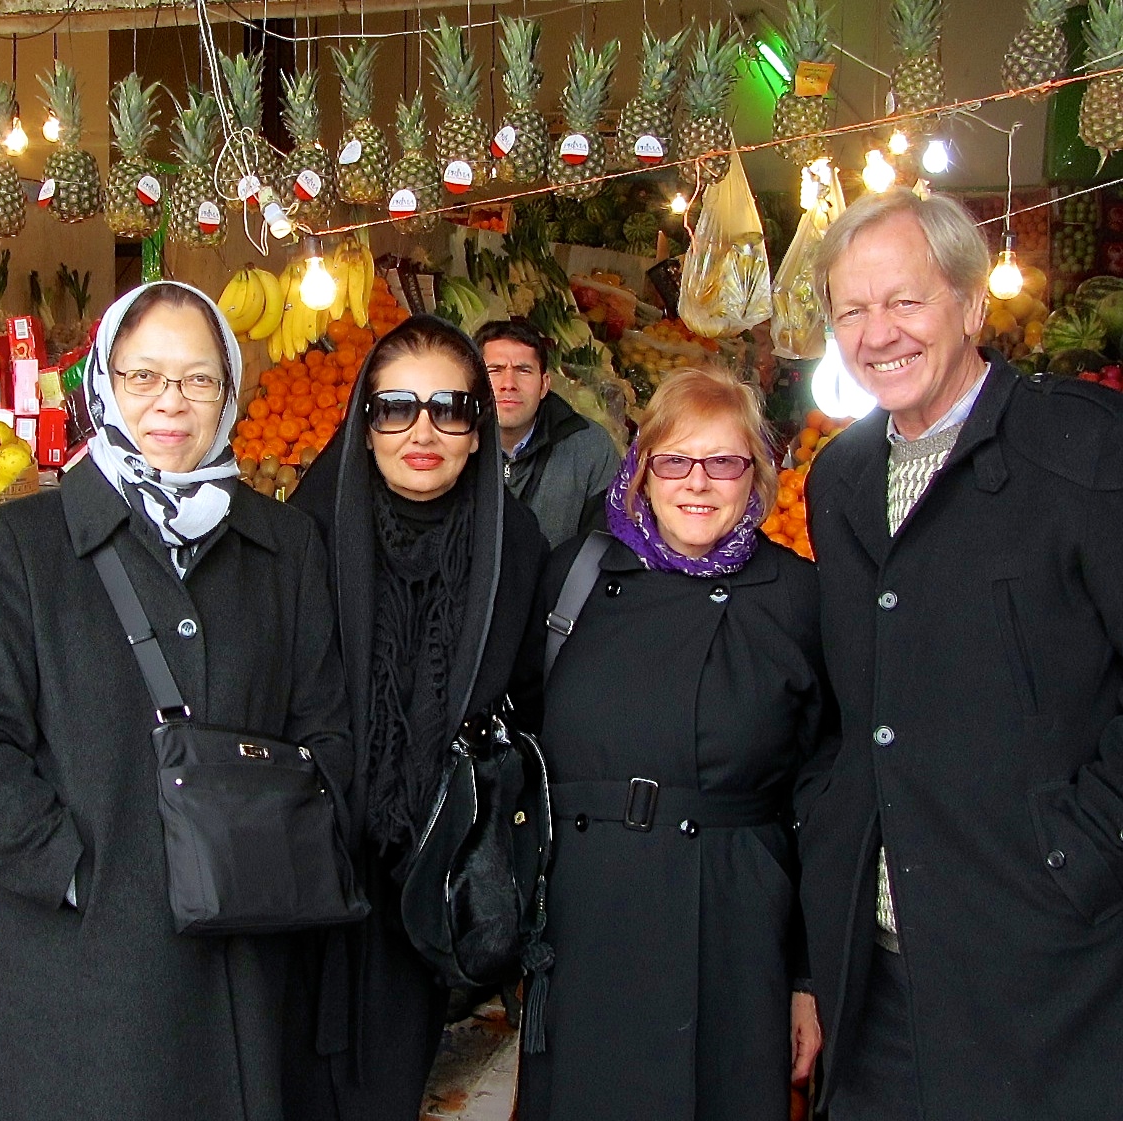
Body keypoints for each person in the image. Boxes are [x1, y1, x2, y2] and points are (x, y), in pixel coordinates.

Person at [0, 280, 352, 1121]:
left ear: (229, 393)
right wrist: (75, 869)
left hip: (239, 958)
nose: (172, 403)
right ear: (102, 387)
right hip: (85, 962)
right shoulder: (26, 544)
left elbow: (326, 727)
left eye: (199, 379)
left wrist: (272, 855)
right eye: (145, 376)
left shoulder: (285, 546)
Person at [802, 188, 1123, 1120]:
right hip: (882, 980)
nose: (877, 333)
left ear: (973, 305)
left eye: (905, 300)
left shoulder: (1084, 447)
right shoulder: (843, 475)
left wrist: (1083, 850)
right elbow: (846, 704)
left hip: (1049, 972)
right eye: (851, 310)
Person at [515, 366, 825, 1121]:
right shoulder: (574, 577)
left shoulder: (796, 595)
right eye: (675, 460)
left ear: (755, 476)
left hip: (733, 922)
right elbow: (519, 744)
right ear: (640, 470)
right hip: (587, 922)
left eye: (724, 461)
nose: (698, 482)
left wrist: (809, 976)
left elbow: (824, 793)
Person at [284, 315, 547, 1121]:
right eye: (395, 407)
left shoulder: (518, 548)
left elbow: (531, 707)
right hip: (299, 884)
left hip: (423, 887)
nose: (422, 430)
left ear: (480, 430)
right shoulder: (304, 537)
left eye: (450, 408)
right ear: (364, 427)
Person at [475, 319, 619, 548]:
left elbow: (603, 548)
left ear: (544, 385)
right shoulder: (452, 443)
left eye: (523, 370)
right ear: (475, 382)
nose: (508, 383)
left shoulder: (590, 448)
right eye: (495, 370)